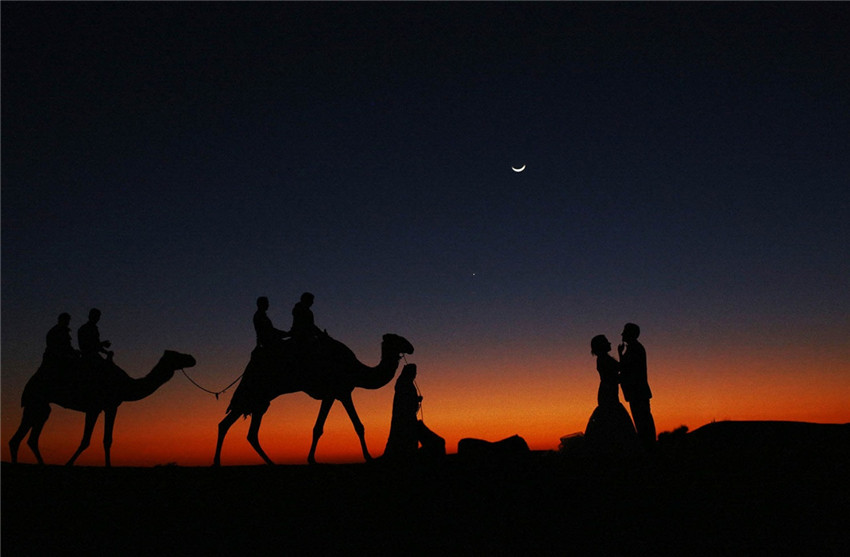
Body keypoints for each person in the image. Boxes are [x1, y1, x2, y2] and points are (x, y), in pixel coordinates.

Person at [584, 335, 637, 452]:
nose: (610, 344)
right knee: (611, 417)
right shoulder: (604, 359)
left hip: (607, 391)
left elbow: (618, 370)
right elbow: (617, 373)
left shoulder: (604, 358)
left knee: (610, 417)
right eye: (607, 342)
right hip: (607, 392)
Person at [383, 364, 445, 461]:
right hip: (405, 420)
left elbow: (407, 399)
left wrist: (416, 400)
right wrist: (416, 400)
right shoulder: (404, 384)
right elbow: (405, 400)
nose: (415, 375)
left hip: (408, 418)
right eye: (414, 373)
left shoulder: (405, 383)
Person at [618, 323, 656, 449]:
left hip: (637, 392)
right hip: (637, 392)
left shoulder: (636, 348)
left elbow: (627, 369)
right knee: (642, 421)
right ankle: (648, 446)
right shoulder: (633, 348)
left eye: (624, 331)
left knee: (643, 422)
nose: (622, 334)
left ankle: (649, 448)